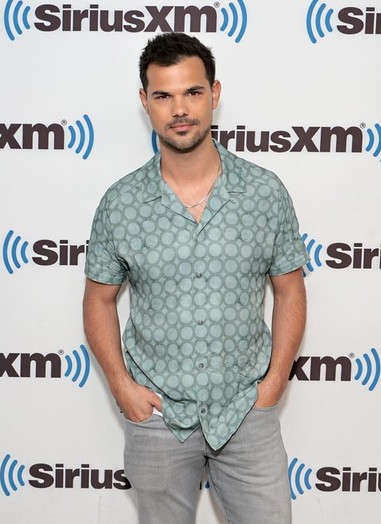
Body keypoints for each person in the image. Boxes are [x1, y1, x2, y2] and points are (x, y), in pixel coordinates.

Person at [83, 32, 307, 524]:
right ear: (145, 102)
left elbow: (290, 289)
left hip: (247, 410)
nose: (179, 109)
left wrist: (273, 384)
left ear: (215, 94)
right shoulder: (120, 204)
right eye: (163, 95)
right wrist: (122, 386)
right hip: (159, 418)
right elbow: (98, 300)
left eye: (192, 92)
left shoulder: (264, 193)